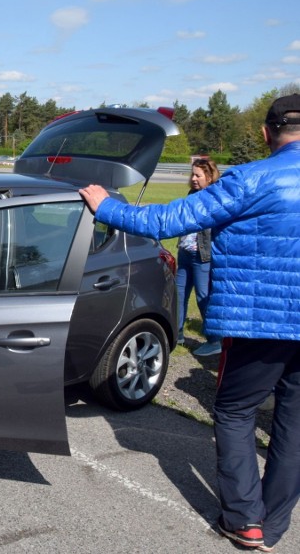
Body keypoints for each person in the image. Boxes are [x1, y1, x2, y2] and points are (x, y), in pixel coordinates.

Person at [79, 94, 300, 552]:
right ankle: (273, 524)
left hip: (261, 323)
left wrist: (107, 208)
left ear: (265, 133)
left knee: (236, 411)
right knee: (295, 424)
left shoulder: (251, 178)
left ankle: (245, 520)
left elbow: (174, 218)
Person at [176, 158, 223, 356]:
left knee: (203, 296)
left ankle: (214, 340)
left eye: (198, 175)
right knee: (179, 294)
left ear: (209, 177)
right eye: (192, 174)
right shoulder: (192, 194)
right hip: (185, 252)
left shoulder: (215, 197)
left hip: (202, 256)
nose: (193, 179)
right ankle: (176, 334)